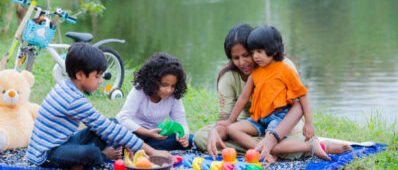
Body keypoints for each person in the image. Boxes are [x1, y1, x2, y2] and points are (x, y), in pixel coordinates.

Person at [193, 23, 351, 161]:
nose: (243, 62)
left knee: (285, 139)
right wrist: (216, 131)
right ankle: (272, 150)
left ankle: (301, 147)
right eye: (236, 58)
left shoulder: (284, 66)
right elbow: (228, 120)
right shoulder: (229, 77)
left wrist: (274, 137)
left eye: (248, 55)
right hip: (250, 125)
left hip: (284, 123)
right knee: (201, 138)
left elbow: (298, 106)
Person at [25, 43, 171, 170]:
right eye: (97, 76)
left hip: (63, 141)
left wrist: (129, 144)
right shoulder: (72, 99)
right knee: (92, 153)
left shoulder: (68, 86)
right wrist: (152, 152)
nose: (101, 81)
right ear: (80, 75)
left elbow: (107, 126)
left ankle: (77, 163)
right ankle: (100, 156)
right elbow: (106, 128)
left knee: (113, 123)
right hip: (46, 154)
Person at [117, 53, 193, 151]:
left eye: (173, 86)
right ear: (153, 80)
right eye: (164, 85)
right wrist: (147, 132)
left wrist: (183, 136)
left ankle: (139, 148)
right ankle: (140, 147)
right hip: (135, 132)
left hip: (155, 136)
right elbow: (123, 118)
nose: (169, 90)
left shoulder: (173, 95)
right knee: (122, 135)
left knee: (189, 142)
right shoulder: (140, 90)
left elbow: (180, 120)